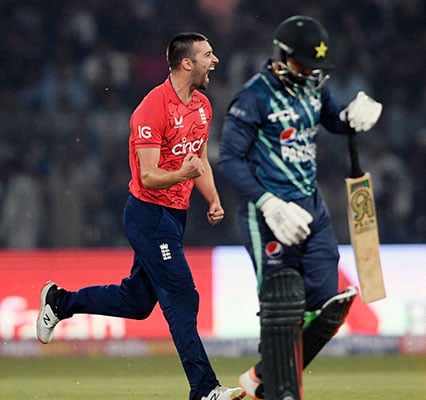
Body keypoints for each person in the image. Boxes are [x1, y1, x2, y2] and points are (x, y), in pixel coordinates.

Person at [35, 32, 245, 400]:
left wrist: (212, 199)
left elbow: (199, 160)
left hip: (175, 216)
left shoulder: (202, 106)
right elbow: (148, 175)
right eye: (208, 55)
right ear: (186, 63)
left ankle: (60, 302)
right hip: (148, 215)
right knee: (182, 295)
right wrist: (185, 174)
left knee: (137, 302)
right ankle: (205, 389)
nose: (215, 61)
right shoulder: (152, 109)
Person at [218, 15, 382, 400]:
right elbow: (229, 159)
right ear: (280, 55)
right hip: (267, 214)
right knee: (281, 302)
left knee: (328, 299)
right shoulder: (253, 97)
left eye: (316, 67)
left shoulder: (312, 89)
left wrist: (351, 116)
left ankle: (263, 375)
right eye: (302, 64)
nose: (310, 73)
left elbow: (332, 118)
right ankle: (277, 385)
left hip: (311, 209)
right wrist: (268, 203)